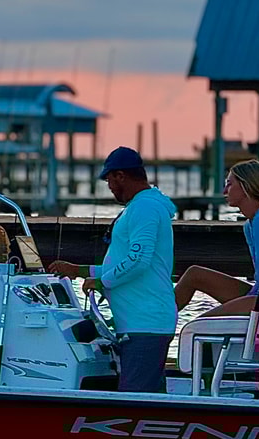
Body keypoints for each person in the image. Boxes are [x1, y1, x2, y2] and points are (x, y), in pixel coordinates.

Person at [48, 146, 176, 393]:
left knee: (134, 400)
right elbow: (123, 264)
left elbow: (138, 260)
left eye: (109, 180)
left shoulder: (144, 208)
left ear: (120, 176)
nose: (109, 186)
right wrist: (81, 271)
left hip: (145, 324)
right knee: (151, 398)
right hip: (140, 323)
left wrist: (100, 283)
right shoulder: (143, 206)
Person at [174, 159, 259, 318]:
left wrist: (246, 301)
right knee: (194, 274)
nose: (224, 191)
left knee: (202, 322)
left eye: (229, 184)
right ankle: (155, 322)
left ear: (245, 187)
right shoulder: (250, 224)